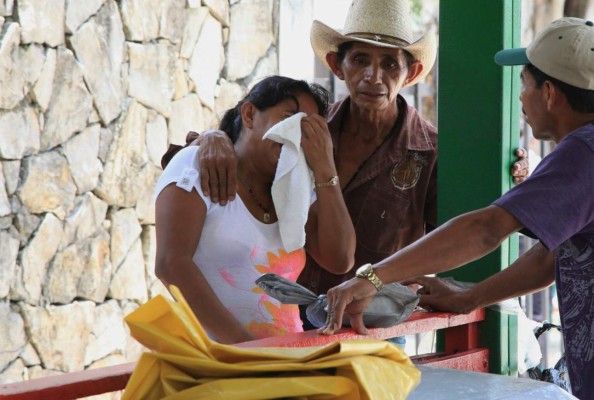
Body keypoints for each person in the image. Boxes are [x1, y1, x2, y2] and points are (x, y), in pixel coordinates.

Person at [168, 0, 528, 330]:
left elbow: (468, 229)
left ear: (412, 73)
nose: (373, 76)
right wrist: (211, 139)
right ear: (336, 66)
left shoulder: (431, 153)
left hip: (372, 326)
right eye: (359, 60)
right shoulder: (306, 129)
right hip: (294, 315)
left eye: (389, 63)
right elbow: (249, 151)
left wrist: (510, 180)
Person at [319, 17, 594, 399]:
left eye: (524, 83)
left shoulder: (583, 151)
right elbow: (550, 260)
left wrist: (372, 278)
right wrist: (469, 297)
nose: (520, 97)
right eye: (360, 59)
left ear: (548, 93)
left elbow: (485, 229)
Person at [154, 75, 355, 344]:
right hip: (216, 360)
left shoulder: (297, 186)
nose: (297, 136)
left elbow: (340, 259)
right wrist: (247, 350)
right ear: (249, 114)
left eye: (308, 129)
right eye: (290, 119)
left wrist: (325, 168)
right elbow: (170, 264)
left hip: (282, 360)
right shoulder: (197, 163)